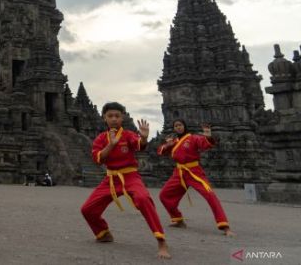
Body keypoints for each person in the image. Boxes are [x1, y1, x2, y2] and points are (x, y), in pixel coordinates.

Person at [80, 102, 170, 259]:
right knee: (87, 209)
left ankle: (161, 241)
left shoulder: (128, 134)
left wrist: (143, 137)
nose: (114, 119)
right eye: (110, 116)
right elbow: (98, 159)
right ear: (104, 118)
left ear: (122, 118)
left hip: (130, 177)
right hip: (111, 179)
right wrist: (111, 145)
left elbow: (139, 145)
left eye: (117, 116)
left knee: (143, 199)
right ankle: (103, 233)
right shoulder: (101, 138)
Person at [157, 119, 235, 237]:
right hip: (179, 173)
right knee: (164, 195)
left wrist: (208, 136)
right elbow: (161, 151)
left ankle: (225, 226)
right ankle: (178, 220)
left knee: (210, 195)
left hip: (194, 172)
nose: (178, 127)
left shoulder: (193, 138)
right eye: (176, 126)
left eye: (180, 125)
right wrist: (168, 144)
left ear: (184, 126)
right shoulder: (174, 141)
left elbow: (204, 143)